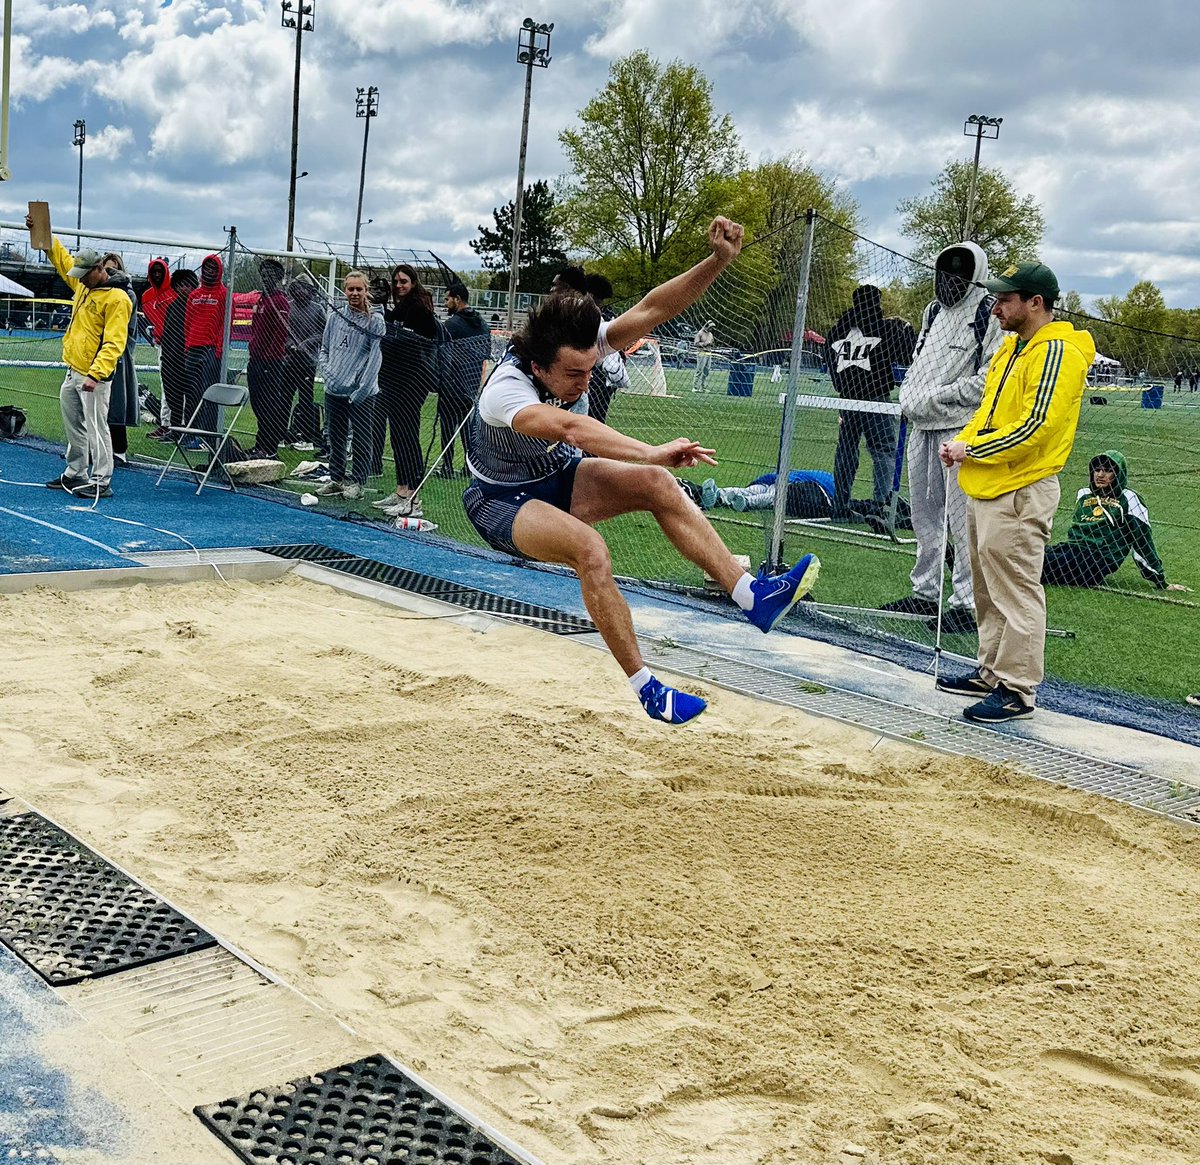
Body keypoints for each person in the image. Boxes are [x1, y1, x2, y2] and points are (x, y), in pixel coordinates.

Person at [461, 216, 821, 726]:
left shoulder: (578, 348)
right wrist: (649, 449)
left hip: (557, 477)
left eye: (590, 369)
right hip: (501, 500)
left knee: (657, 484)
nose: (585, 384)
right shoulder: (506, 390)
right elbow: (569, 430)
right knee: (591, 549)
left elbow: (654, 308)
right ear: (540, 366)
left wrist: (719, 260)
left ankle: (751, 596)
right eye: (573, 374)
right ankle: (647, 687)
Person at [937, 261, 1095, 723]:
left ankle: (1017, 689)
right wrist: (964, 442)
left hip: (1021, 488)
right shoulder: (1011, 349)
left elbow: (1037, 427)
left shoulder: (1056, 353)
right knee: (988, 589)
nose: (995, 307)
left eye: (1005, 300)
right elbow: (989, 411)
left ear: (1036, 303)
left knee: (1017, 592)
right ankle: (991, 672)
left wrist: (972, 448)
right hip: (987, 482)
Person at [879, 242, 1003, 635]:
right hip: (920, 427)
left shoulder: (988, 312)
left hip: (959, 429)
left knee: (962, 518)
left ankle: (965, 602)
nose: (950, 281)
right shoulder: (932, 312)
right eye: (944, 273)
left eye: (959, 274)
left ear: (974, 275)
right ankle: (924, 592)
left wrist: (939, 398)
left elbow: (990, 378)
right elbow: (918, 363)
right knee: (924, 514)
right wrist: (913, 398)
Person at [25, 220, 133, 500]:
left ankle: (101, 480)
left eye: (85, 274)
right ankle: (75, 472)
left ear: (100, 269)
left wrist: (95, 374)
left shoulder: (118, 299)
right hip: (73, 370)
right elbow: (61, 258)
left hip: (94, 377)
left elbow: (114, 343)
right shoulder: (85, 285)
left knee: (98, 428)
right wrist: (40, 232)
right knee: (74, 425)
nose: (80, 279)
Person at [826, 285, 916, 520]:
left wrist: (841, 386)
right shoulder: (884, 328)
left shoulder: (838, 330)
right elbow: (906, 356)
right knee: (884, 450)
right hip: (876, 399)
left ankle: (841, 505)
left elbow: (830, 357)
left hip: (847, 398)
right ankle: (881, 505)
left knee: (846, 452)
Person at [1042, 450, 1190, 592]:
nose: (1100, 475)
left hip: (1096, 560)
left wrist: (1160, 581)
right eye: (1097, 469)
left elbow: (1142, 540)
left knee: (1038, 563)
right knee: (1030, 552)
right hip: (1070, 549)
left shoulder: (1130, 498)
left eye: (1107, 470)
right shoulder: (1084, 494)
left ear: (1118, 474)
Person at [371, 264, 441, 517]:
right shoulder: (398, 309)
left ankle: (414, 497)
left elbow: (421, 342)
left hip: (411, 382)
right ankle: (402, 490)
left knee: (408, 436)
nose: (399, 286)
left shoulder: (419, 309)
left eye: (404, 281)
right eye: (396, 281)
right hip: (392, 380)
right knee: (398, 436)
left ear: (413, 283)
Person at [315, 270, 384, 500]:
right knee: (335, 436)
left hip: (361, 392)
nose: (354, 293)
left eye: (359, 289)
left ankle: (357, 482)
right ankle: (336, 478)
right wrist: (328, 373)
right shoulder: (335, 317)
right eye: (350, 289)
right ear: (344, 291)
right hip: (334, 389)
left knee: (363, 437)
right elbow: (324, 349)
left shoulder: (375, 320)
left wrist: (362, 388)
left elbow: (375, 357)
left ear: (366, 291)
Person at [436, 281, 490, 477]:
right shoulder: (482, 323)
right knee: (467, 427)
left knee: (447, 427)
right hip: (472, 383)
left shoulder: (452, 324)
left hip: (452, 383)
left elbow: (442, 353)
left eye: (447, 298)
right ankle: (469, 467)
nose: (445, 303)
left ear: (457, 299)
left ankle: (447, 468)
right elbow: (486, 352)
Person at [246, 258, 291, 458]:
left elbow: (280, 333)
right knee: (257, 404)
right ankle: (260, 444)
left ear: (279, 277)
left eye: (270, 274)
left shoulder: (280, 301)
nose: (266, 277)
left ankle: (269, 448)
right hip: (255, 360)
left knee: (268, 405)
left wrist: (268, 359)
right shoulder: (261, 299)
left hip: (270, 363)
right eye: (263, 273)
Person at [100, 253, 141, 469]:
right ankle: (94, 448)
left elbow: (124, 327)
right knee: (97, 403)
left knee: (117, 401)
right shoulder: (97, 290)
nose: (109, 274)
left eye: (113, 270)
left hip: (119, 351)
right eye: (106, 269)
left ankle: (119, 450)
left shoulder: (127, 294)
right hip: (98, 350)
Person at [183, 253, 227, 430]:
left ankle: (207, 432)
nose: (209, 272)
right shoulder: (194, 294)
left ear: (219, 271)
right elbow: (187, 322)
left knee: (208, 393)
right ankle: (191, 431)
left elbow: (225, 324)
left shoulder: (224, 294)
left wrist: (218, 350)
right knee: (191, 393)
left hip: (211, 351)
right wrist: (187, 346)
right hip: (193, 349)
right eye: (206, 268)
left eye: (213, 269)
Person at [283, 277, 326, 452]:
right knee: (284, 398)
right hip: (289, 361)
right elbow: (282, 330)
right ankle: (281, 434)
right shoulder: (288, 306)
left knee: (306, 399)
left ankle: (307, 438)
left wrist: (307, 343)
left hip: (307, 362)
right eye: (298, 289)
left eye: (305, 289)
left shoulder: (318, 309)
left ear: (310, 290)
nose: (301, 292)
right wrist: (290, 345)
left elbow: (323, 332)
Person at [583, 273, 628, 426]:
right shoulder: (611, 318)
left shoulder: (595, 317)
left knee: (592, 419)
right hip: (604, 379)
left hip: (597, 376)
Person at [157, 268, 197, 437]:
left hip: (187, 357)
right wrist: (165, 355)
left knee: (190, 396)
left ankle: (188, 430)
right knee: (172, 395)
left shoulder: (195, 305)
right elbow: (166, 333)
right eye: (180, 285)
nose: (183, 289)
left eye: (187, 285)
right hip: (170, 357)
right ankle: (174, 429)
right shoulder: (172, 306)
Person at [699, 469, 834, 518]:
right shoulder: (831, 482)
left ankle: (721, 495)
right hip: (788, 485)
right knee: (771, 497)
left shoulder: (823, 477)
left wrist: (757, 482)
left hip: (778, 481)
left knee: (752, 490)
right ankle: (747, 503)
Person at [141, 257, 175, 441]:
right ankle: (166, 424)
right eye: (154, 272)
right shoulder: (147, 296)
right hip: (163, 346)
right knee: (165, 385)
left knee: (181, 388)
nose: (157, 275)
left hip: (179, 346)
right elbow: (154, 319)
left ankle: (180, 426)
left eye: (160, 272)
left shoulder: (175, 292)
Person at [692, 320, 715, 391]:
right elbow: (696, 343)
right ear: (707, 326)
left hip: (709, 353)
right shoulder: (700, 333)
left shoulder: (711, 334)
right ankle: (695, 387)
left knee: (706, 371)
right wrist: (705, 343)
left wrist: (711, 344)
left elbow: (713, 343)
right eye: (711, 327)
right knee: (699, 370)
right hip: (701, 353)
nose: (712, 329)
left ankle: (703, 387)